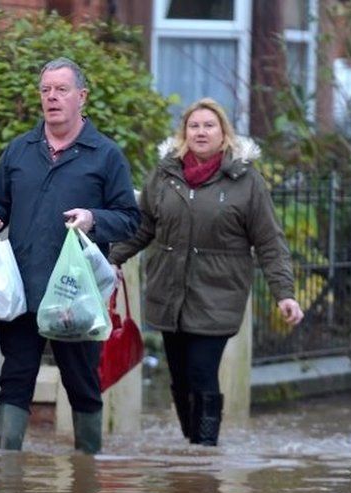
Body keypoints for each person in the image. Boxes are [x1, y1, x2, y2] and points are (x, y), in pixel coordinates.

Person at [108, 97, 304, 446]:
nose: (201, 132)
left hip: (218, 293)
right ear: (184, 133)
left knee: (202, 371)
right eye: (193, 126)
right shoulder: (165, 176)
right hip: (169, 292)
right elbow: (143, 228)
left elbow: (270, 242)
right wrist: (112, 259)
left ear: (223, 133)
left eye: (208, 125)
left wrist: (284, 293)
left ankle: (205, 450)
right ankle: (191, 448)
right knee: (180, 378)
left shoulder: (246, 181)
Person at [0, 57, 140, 454]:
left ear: (81, 97)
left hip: (75, 295)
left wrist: (92, 218)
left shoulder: (105, 155)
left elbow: (130, 219)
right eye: (46, 90)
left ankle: (87, 475)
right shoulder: (20, 150)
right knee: (14, 381)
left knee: (82, 385)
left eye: (61, 90)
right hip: (23, 291)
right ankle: (6, 475)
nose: (52, 97)